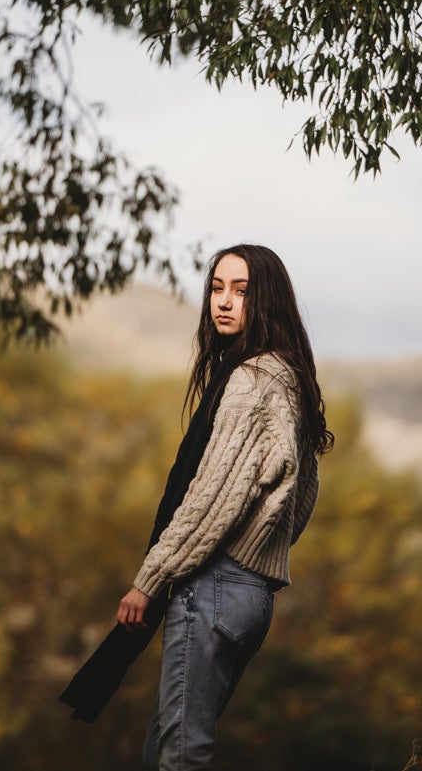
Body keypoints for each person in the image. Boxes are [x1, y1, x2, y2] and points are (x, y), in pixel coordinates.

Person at [116, 244, 331, 770]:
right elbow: (302, 495)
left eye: (242, 291)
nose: (224, 302)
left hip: (214, 585)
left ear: (268, 301)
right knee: (170, 744)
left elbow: (214, 494)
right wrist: (258, 552)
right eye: (217, 288)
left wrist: (152, 577)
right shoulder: (289, 378)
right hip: (251, 595)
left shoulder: (249, 380)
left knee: (180, 754)